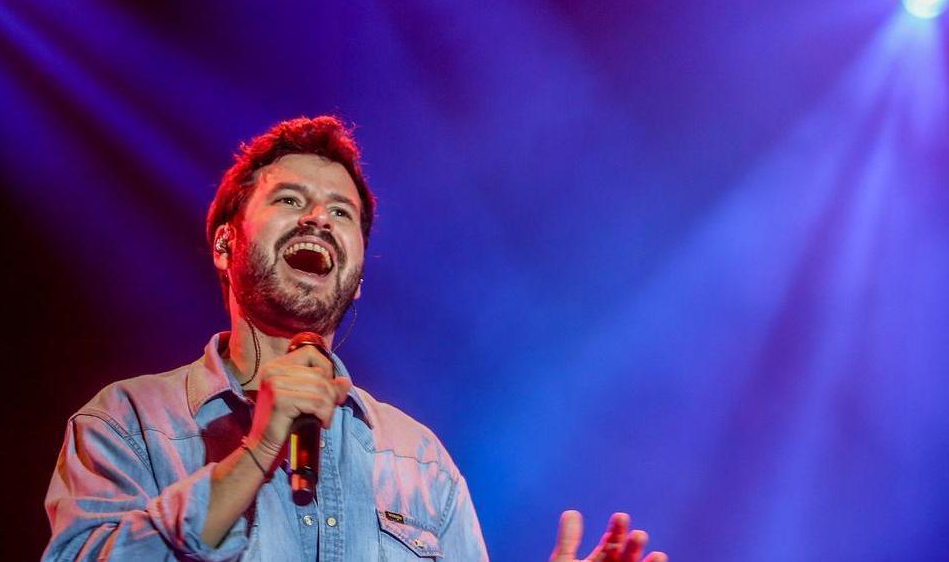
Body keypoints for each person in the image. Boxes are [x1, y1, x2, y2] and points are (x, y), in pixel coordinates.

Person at [42, 116, 667, 561]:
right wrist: (258, 451)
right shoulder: (129, 423)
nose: (318, 216)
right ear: (225, 243)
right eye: (290, 199)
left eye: (341, 212)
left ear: (358, 278)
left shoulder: (418, 462)